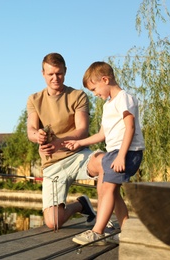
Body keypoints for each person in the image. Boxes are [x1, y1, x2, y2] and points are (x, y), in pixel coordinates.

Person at [63, 61, 145, 245]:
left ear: (105, 79)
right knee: (108, 191)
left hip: (128, 152)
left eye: (94, 89)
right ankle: (127, 230)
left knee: (108, 189)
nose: (95, 94)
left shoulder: (124, 98)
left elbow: (130, 127)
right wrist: (79, 142)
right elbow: (102, 135)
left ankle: (97, 232)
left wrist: (122, 156)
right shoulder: (108, 105)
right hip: (113, 152)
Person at [26, 53, 98, 230]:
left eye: (59, 73)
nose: (55, 78)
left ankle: (105, 224)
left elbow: (82, 130)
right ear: (43, 73)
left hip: (78, 155)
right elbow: (31, 131)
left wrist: (59, 143)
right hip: (52, 164)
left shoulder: (78, 95)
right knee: (53, 223)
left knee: (104, 163)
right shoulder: (34, 99)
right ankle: (81, 204)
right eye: (50, 74)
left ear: (65, 71)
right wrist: (38, 136)